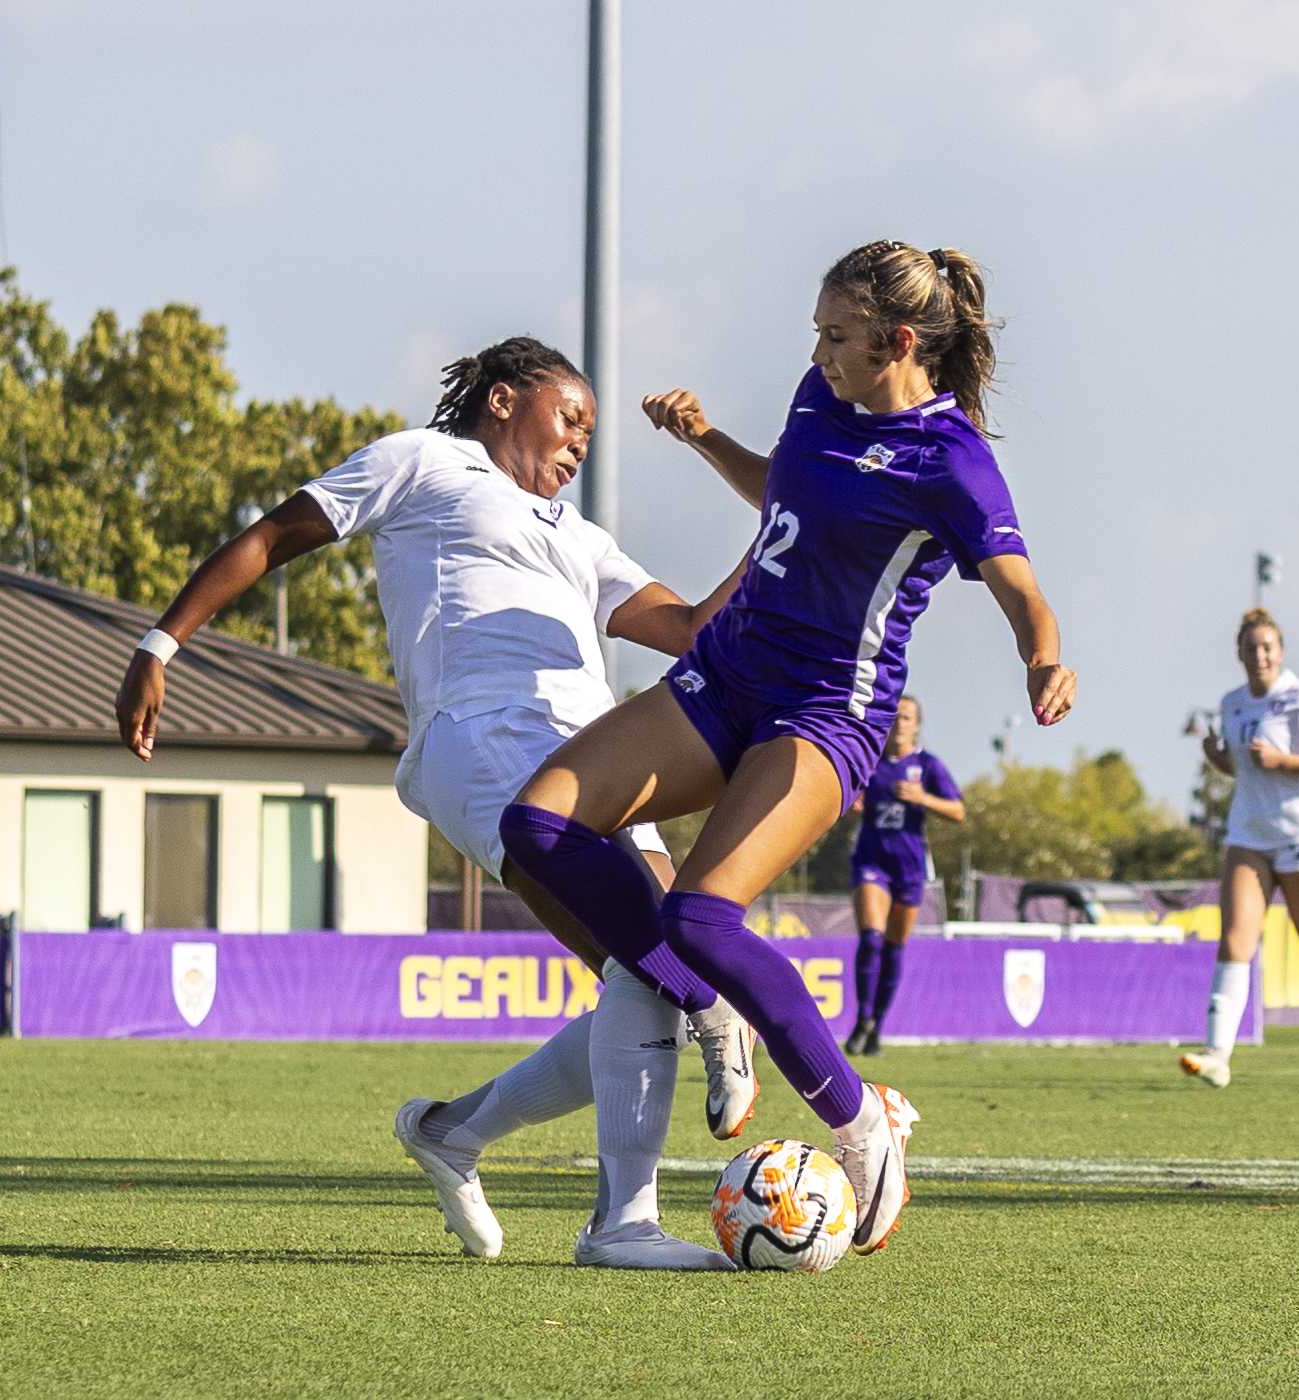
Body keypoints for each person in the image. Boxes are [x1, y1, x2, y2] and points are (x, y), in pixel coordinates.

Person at [114, 336, 754, 1270]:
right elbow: (271, 538)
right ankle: (625, 1219)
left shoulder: (577, 537)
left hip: (607, 755)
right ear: (502, 400)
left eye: (589, 429)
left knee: (645, 975)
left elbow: (695, 630)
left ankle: (455, 1133)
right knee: (659, 960)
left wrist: (783, 532)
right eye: (568, 416)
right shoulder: (426, 461)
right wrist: (160, 644)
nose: (581, 440)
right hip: (484, 739)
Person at [500, 240, 1075, 1258]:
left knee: (702, 913)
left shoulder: (951, 458)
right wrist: (709, 439)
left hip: (825, 711)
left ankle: (862, 1124)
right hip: (724, 675)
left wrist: (1044, 657)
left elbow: (1019, 583)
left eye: (837, 334)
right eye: (816, 329)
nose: (817, 348)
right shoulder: (821, 392)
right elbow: (790, 490)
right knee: (536, 825)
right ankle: (695, 999)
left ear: (899, 341)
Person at [1180, 609, 1299, 1091]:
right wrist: (1218, 759)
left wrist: (1284, 759)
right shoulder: (1231, 704)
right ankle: (1217, 1055)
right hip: (1248, 834)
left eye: (1267, 647)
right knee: (1235, 943)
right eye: (1250, 648)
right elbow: (1245, 771)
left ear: (1280, 651)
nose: (1259, 655)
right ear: (1239, 654)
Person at [844, 696, 964, 1056]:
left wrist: (923, 798)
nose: (899, 722)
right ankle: (863, 1017)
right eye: (895, 716)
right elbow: (843, 790)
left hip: (909, 867)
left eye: (907, 717)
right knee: (871, 938)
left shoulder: (927, 766)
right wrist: (849, 800)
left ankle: (877, 1024)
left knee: (894, 948)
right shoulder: (871, 760)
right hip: (871, 861)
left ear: (917, 724)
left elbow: (958, 810)